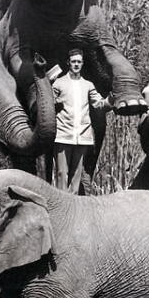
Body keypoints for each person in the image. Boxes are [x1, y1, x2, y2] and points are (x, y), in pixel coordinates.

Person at [52, 48, 112, 194]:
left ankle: (72, 211)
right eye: (74, 61)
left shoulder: (88, 85)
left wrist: (112, 98)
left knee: (76, 176)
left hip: (83, 136)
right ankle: (61, 207)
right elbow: (49, 104)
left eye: (79, 61)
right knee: (62, 173)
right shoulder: (58, 84)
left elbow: (99, 104)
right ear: (68, 63)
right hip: (63, 134)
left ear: (83, 63)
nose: (76, 64)